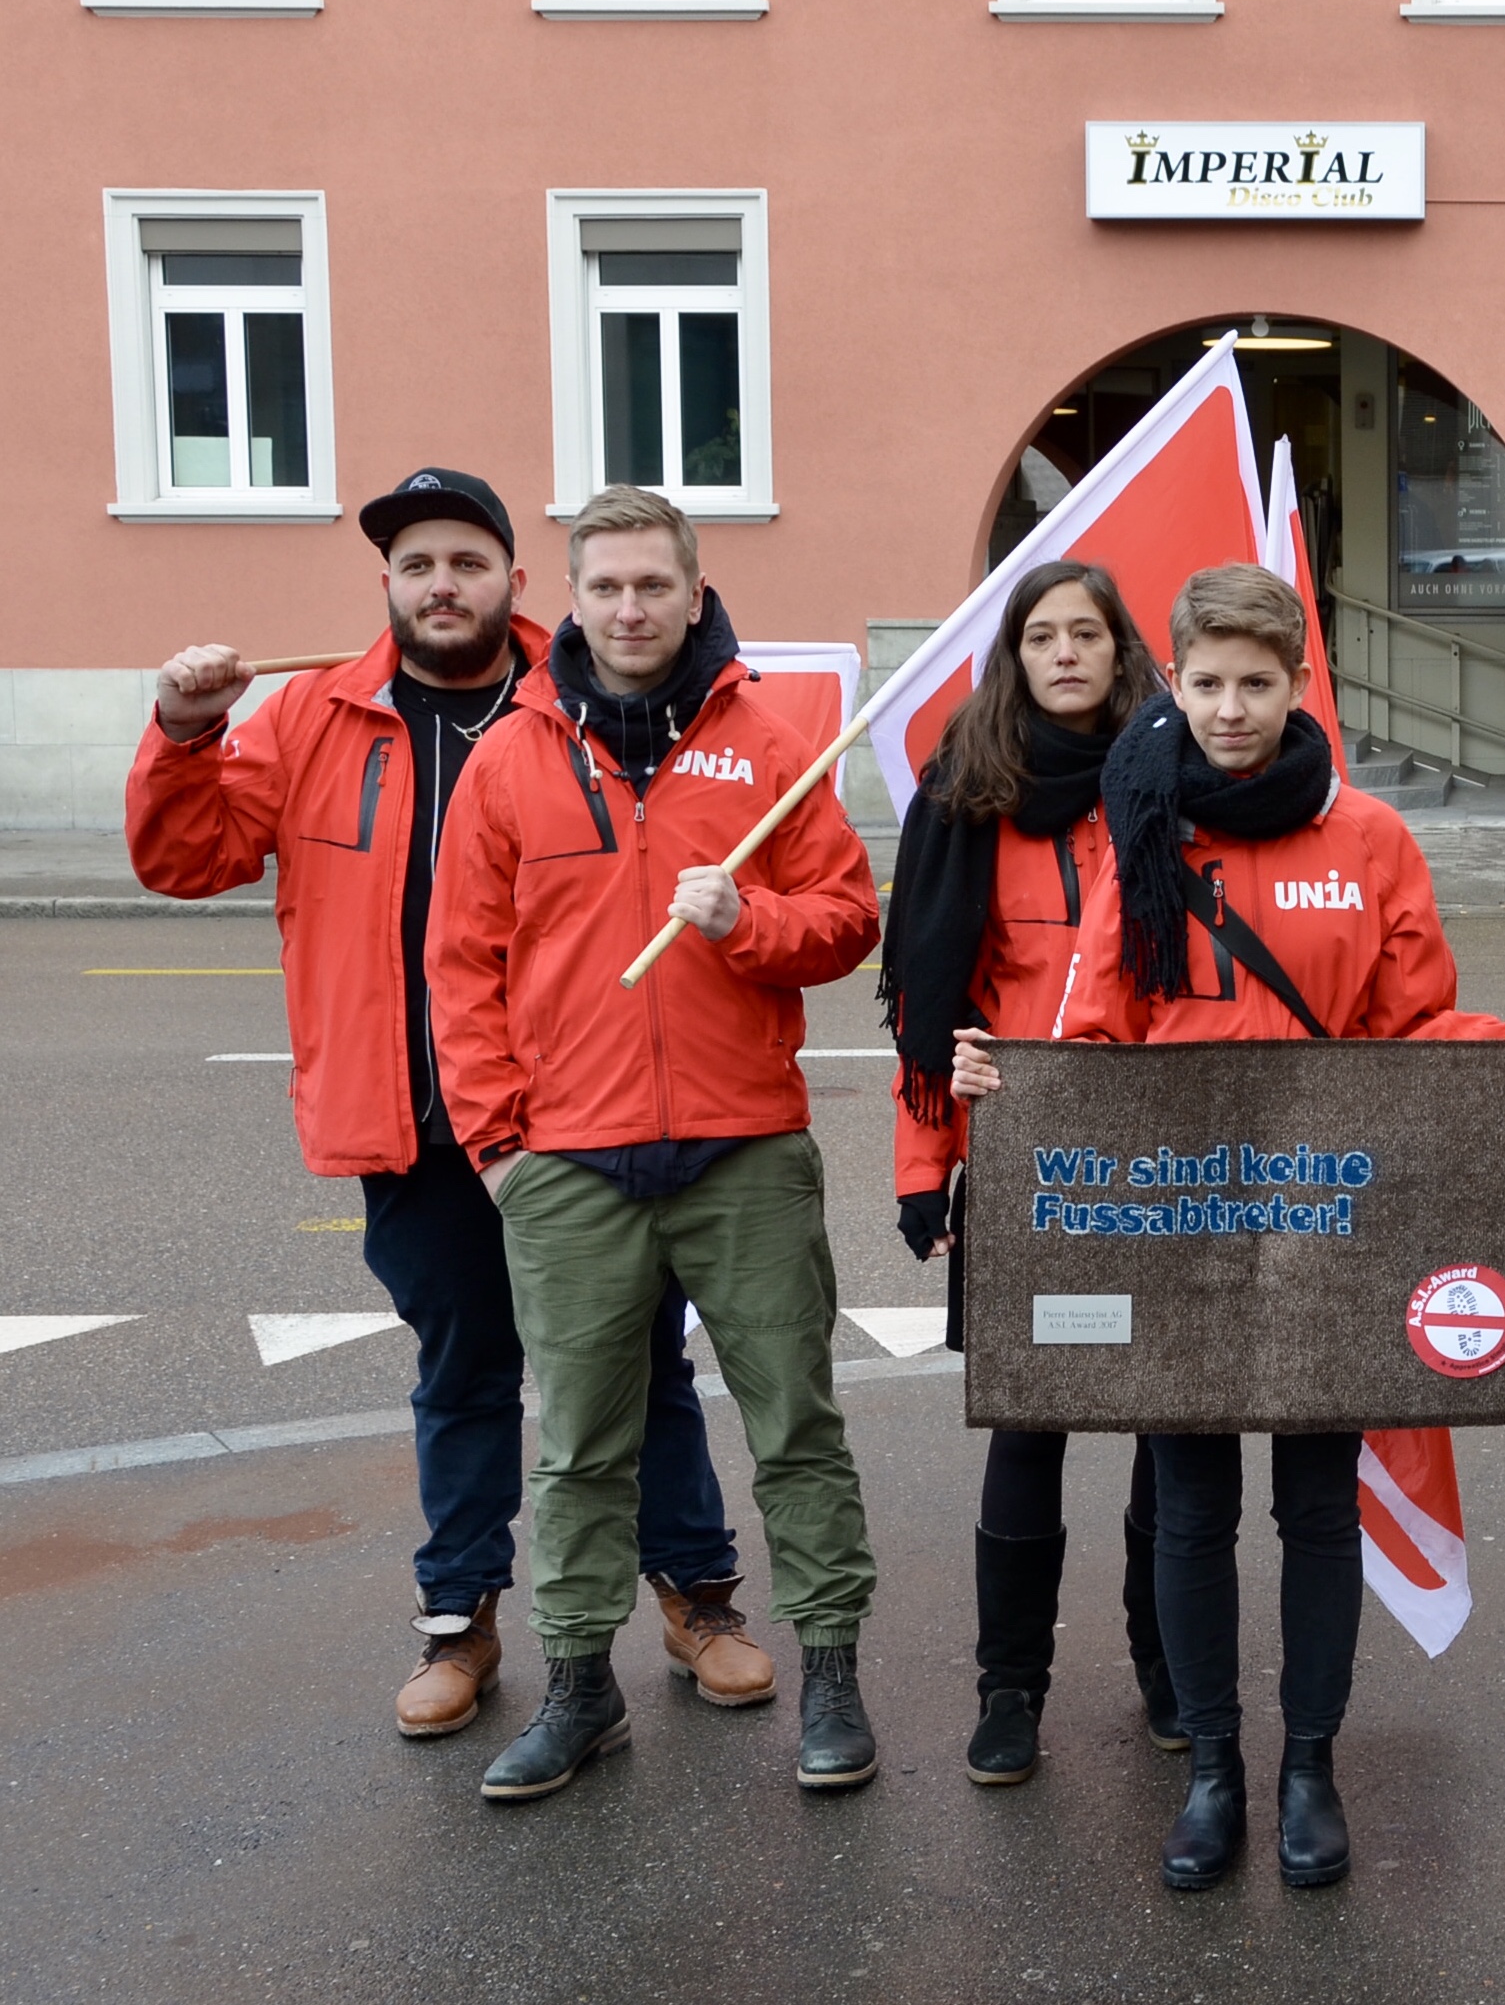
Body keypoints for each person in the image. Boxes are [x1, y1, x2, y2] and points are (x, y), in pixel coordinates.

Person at [953, 564, 1505, 1892]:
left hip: (1327, 1221)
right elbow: (1090, 1044)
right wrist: (1001, 1087)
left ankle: (1308, 1770)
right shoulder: (1135, 838)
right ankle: (1212, 1777)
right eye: (1206, 683)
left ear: (1303, 688)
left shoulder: (1369, 840)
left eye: (1256, 683)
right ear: (1171, 685)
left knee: (1313, 1509)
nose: (1231, 709)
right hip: (1184, 1227)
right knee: (1188, 1514)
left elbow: (1414, 1030)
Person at [124, 467, 764, 1743]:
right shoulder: (317, 714)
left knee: (640, 1357)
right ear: (388, 586)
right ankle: (459, 1615)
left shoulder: (575, 702)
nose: (441, 585)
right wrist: (183, 730)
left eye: (466, 561)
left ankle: (697, 1595)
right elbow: (186, 856)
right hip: (413, 1112)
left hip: (581, 1107)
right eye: (417, 565)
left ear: (513, 581)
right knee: (464, 1367)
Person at [429, 484, 885, 1801]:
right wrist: (500, 1145)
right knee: (580, 1444)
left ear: (696, 592)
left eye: (654, 585)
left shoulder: (772, 738)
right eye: (606, 586)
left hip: (744, 1147)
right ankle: (581, 1688)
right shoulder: (513, 753)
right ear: (569, 598)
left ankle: (834, 1676)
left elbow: (846, 917)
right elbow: (460, 968)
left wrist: (751, 923)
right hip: (570, 1161)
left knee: (795, 1426)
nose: (631, 609)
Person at [878, 561, 1179, 1785]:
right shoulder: (964, 796)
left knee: (1174, 1428)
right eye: (1042, 634)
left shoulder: (1171, 785)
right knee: (1031, 1425)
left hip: (1162, 1153)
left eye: (1088, 633)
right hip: (1024, 1153)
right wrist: (923, 1168)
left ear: (1121, 651)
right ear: (1014, 655)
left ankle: (1169, 1663)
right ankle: (1012, 1687)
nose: (1065, 652)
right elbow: (927, 1008)